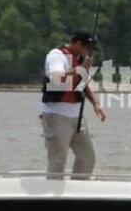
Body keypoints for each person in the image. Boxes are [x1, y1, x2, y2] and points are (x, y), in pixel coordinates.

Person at [40, 32, 106, 178]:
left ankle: (78, 190)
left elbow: (83, 84)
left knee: (87, 157)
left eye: (91, 48)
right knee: (58, 159)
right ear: (76, 43)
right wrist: (80, 68)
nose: (88, 51)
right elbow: (56, 78)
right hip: (57, 114)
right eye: (86, 47)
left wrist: (96, 103)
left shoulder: (80, 59)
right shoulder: (57, 55)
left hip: (77, 117)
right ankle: (54, 195)